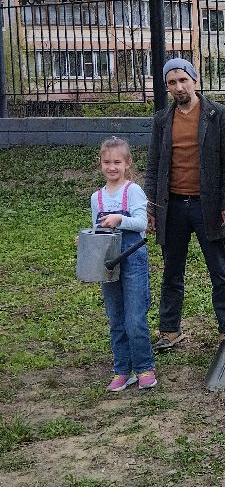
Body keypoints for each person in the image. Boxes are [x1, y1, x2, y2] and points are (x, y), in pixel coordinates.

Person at [145, 58, 225, 351]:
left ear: (195, 81)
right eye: (171, 82)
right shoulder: (162, 120)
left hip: (207, 206)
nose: (178, 87)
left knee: (219, 271)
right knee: (172, 271)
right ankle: (170, 330)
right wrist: (151, 207)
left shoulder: (217, 114)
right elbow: (154, 165)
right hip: (172, 206)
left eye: (183, 80)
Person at [92, 136, 155, 392]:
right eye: (107, 162)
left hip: (132, 259)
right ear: (100, 165)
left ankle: (144, 367)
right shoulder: (97, 197)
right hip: (108, 262)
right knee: (115, 317)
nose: (112, 167)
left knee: (135, 318)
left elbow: (141, 225)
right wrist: (85, 238)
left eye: (117, 161)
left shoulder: (133, 191)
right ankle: (122, 369)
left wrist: (120, 218)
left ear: (127, 164)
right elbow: (97, 228)